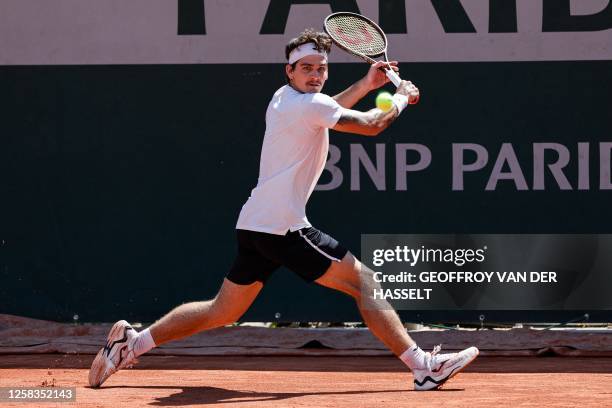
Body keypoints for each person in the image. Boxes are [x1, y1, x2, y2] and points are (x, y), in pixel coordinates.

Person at [89, 29, 478, 391]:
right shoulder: (306, 104)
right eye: (306, 68)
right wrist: (399, 98)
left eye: (321, 69)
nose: (315, 75)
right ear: (289, 70)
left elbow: (325, 110)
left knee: (221, 311)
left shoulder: (284, 98)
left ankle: (131, 343)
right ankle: (422, 366)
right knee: (366, 284)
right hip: (285, 228)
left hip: (256, 224)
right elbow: (372, 125)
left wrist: (366, 84)